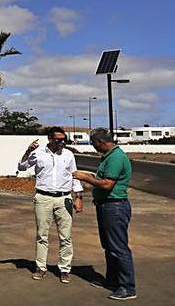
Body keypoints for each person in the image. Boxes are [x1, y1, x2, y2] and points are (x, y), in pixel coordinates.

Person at [73, 129, 136, 301]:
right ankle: (113, 281)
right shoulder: (109, 156)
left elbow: (107, 184)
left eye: (93, 143)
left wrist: (85, 177)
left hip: (114, 207)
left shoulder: (115, 158)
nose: (93, 147)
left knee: (118, 247)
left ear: (100, 141)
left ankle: (127, 287)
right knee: (109, 246)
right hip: (107, 206)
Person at [17, 126, 84, 284]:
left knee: (66, 236)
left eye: (64, 139)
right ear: (50, 139)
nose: (62, 142)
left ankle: (65, 269)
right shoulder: (38, 153)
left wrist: (79, 196)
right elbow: (22, 167)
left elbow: (74, 176)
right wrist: (28, 151)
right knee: (42, 235)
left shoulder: (68, 155)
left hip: (64, 198)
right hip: (43, 198)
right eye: (58, 140)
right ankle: (41, 267)